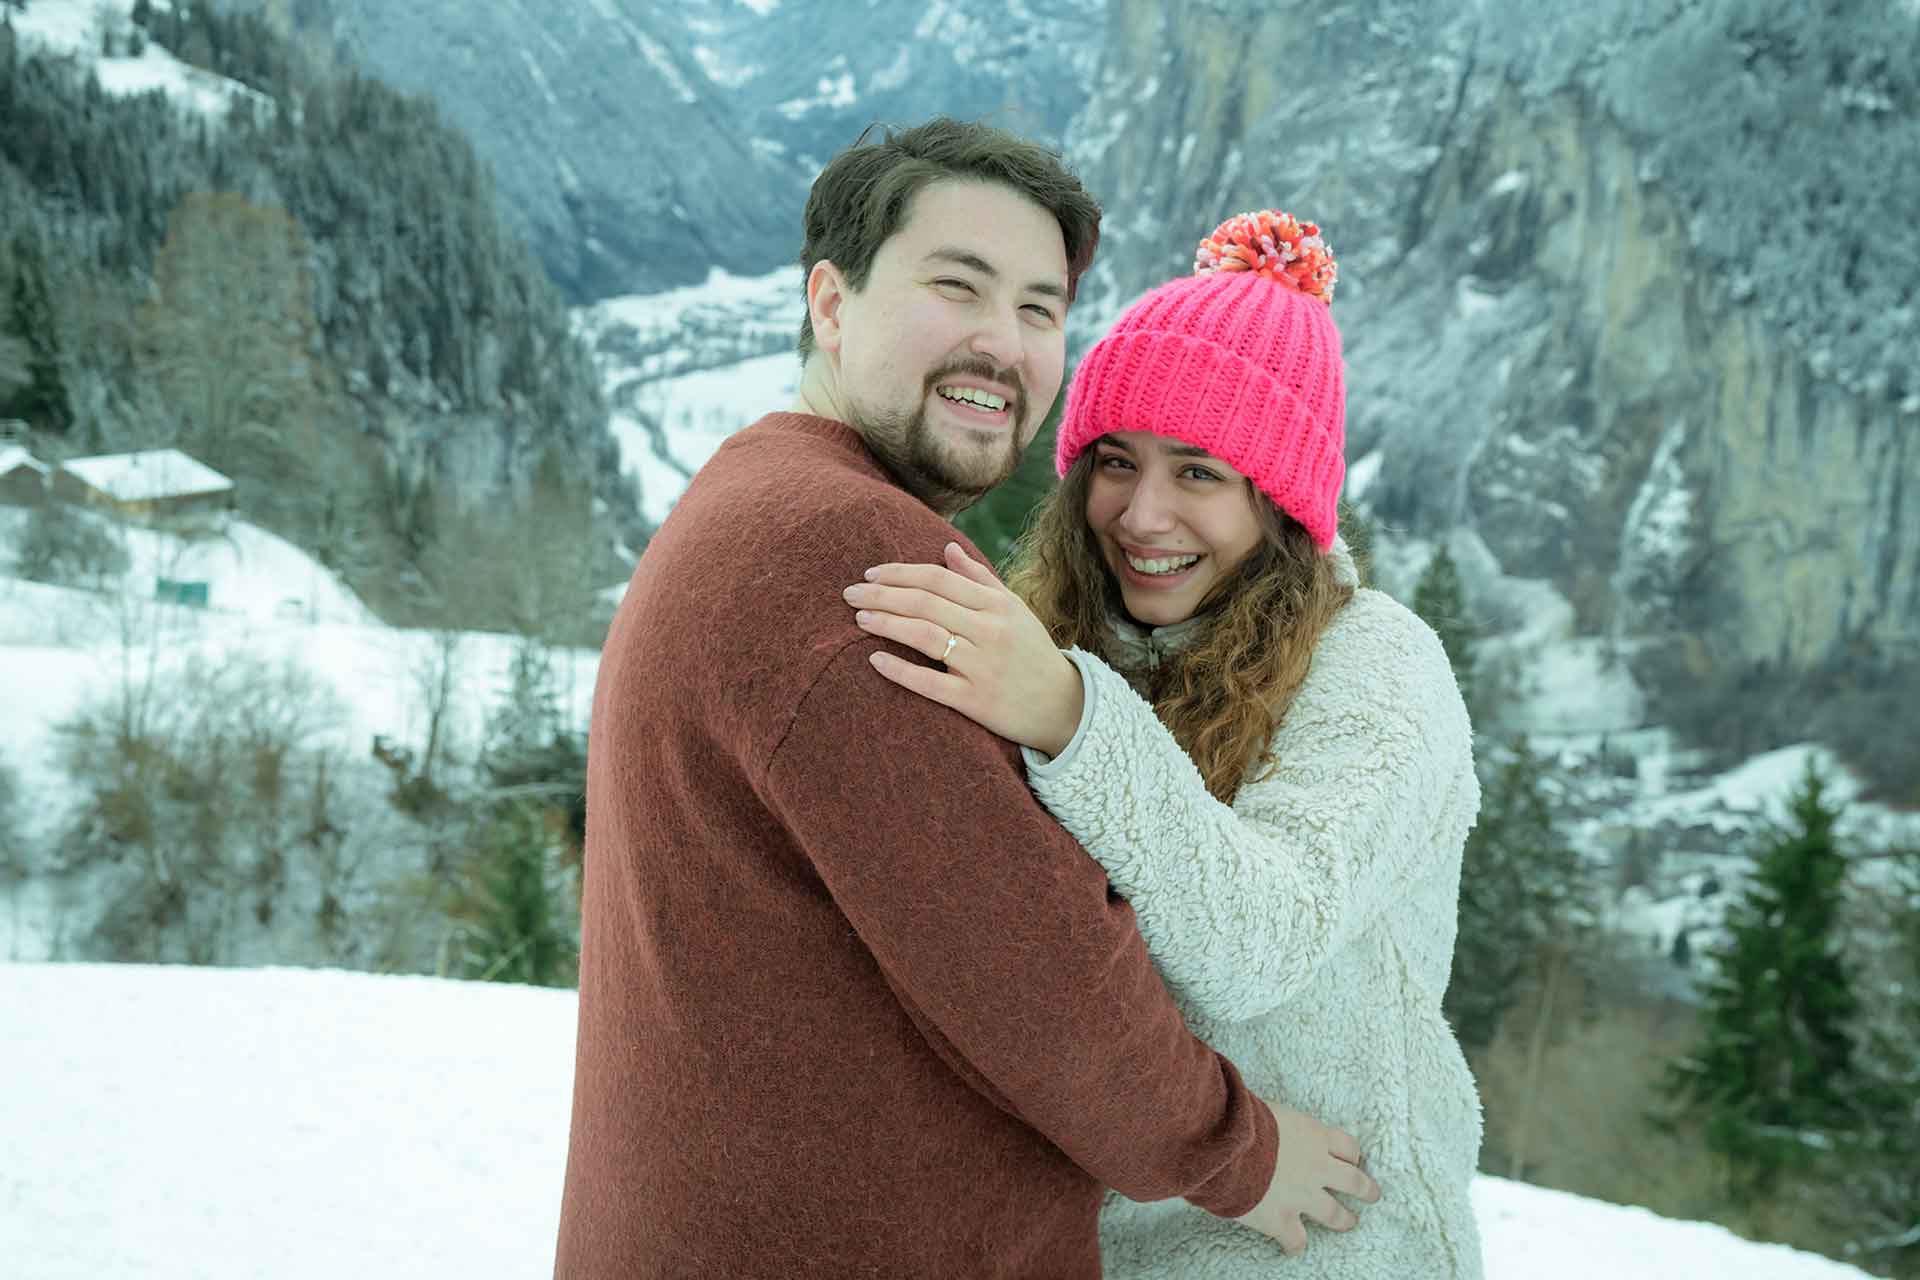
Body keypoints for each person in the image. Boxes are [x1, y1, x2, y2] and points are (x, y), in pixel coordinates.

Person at [553, 127, 1380, 1279]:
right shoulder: (842, 548)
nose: (1004, 342)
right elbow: (1037, 968)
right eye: (958, 285)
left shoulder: (757, 494)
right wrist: (1238, 1150)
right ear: (832, 303)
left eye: (1042, 309)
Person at [845, 210, 1486, 1277]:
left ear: (1277, 500)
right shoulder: (1070, 632)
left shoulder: (1378, 664)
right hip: (1094, 1243)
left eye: (1199, 473)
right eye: (1116, 462)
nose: (1143, 514)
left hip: (1329, 1241)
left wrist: (1068, 715)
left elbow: (1260, 939)